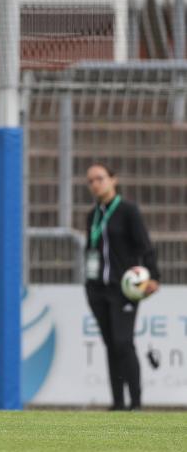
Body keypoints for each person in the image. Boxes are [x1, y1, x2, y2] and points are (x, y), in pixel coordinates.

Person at [84, 163, 160, 411]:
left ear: (113, 180)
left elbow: (145, 246)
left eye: (100, 178)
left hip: (124, 289)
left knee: (122, 342)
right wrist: (89, 284)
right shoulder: (92, 215)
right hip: (98, 290)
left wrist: (153, 277)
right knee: (110, 344)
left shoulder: (128, 211)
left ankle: (136, 403)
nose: (95, 184)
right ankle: (117, 402)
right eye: (91, 181)